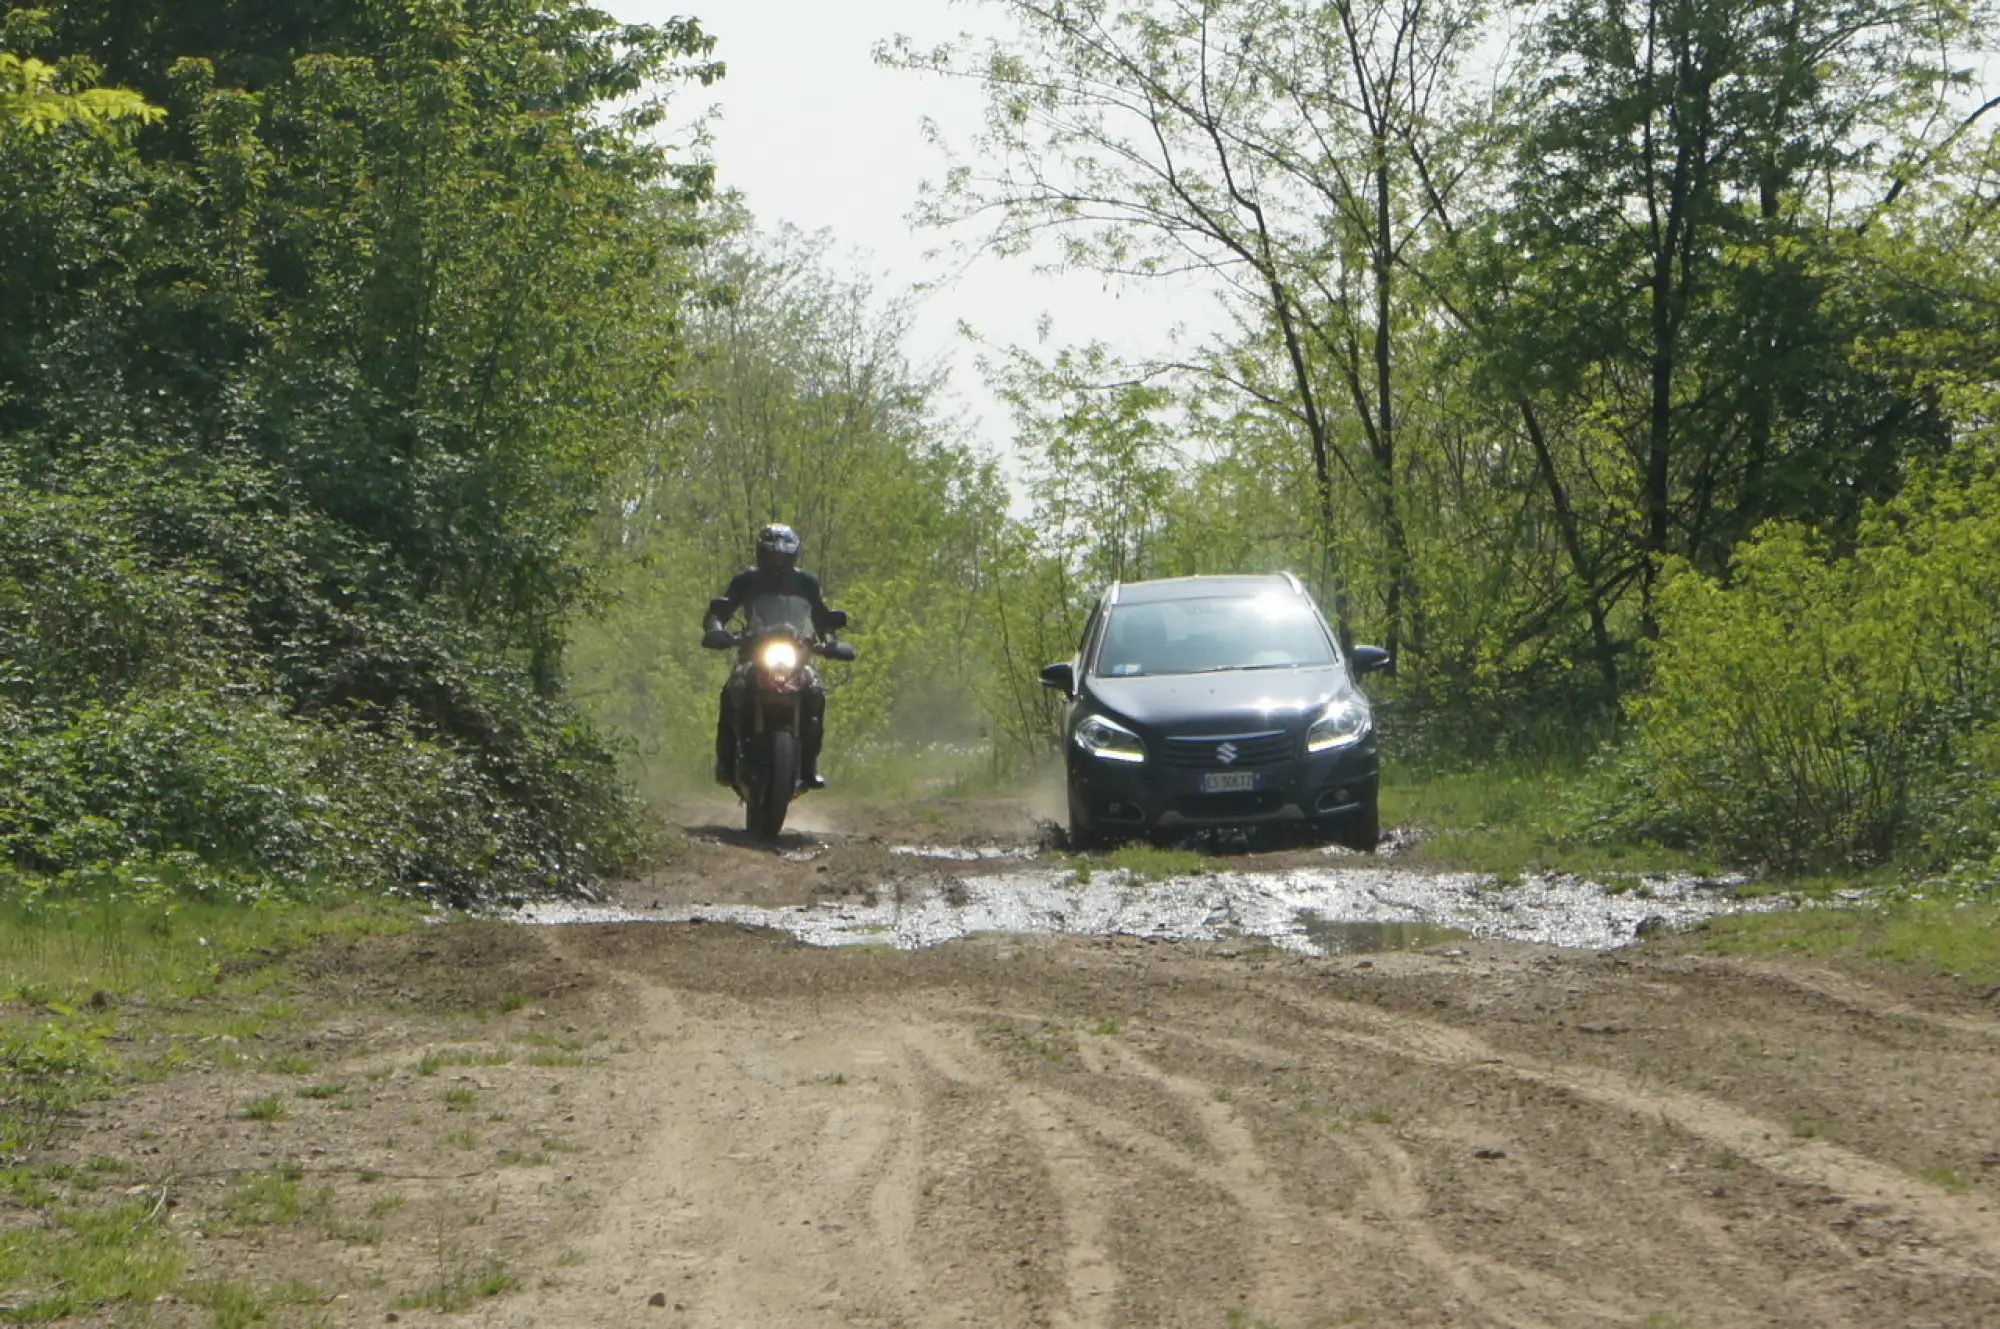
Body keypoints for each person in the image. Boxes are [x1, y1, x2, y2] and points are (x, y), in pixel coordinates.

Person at [703, 523, 840, 789]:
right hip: (754, 653)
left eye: (784, 557)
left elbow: (823, 619)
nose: (777, 563)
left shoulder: (806, 583)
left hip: (797, 655)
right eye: (771, 556)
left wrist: (831, 641)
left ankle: (809, 766)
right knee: (732, 691)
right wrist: (716, 630)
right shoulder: (746, 580)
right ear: (760, 554)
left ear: (794, 556)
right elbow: (720, 610)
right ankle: (726, 762)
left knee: (815, 694)